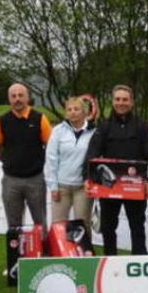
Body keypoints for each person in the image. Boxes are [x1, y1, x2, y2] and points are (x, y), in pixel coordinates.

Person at [85, 85, 148, 255]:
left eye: (125, 99)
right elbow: (92, 153)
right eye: (117, 99)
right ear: (113, 102)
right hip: (109, 186)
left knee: (137, 227)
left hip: (135, 185)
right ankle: (110, 262)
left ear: (132, 102)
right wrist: (89, 179)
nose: (121, 103)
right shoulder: (104, 127)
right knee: (108, 227)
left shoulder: (142, 127)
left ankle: (139, 263)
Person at [0, 83, 51, 229]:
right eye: (13, 96)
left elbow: (50, 147)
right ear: (9, 99)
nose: (17, 99)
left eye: (20, 95)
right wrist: (8, 160)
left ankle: (43, 252)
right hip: (11, 181)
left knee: (40, 223)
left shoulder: (40, 119)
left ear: (28, 97)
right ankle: (17, 252)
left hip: (35, 180)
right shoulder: (1, 121)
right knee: (13, 226)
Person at [45, 97, 95, 226]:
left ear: (84, 112)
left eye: (76, 109)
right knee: (58, 227)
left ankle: (84, 247)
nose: (72, 112)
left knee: (83, 226)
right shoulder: (58, 131)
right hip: (61, 187)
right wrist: (53, 187)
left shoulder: (94, 132)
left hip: (83, 188)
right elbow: (51, 159)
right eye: (69, 110)